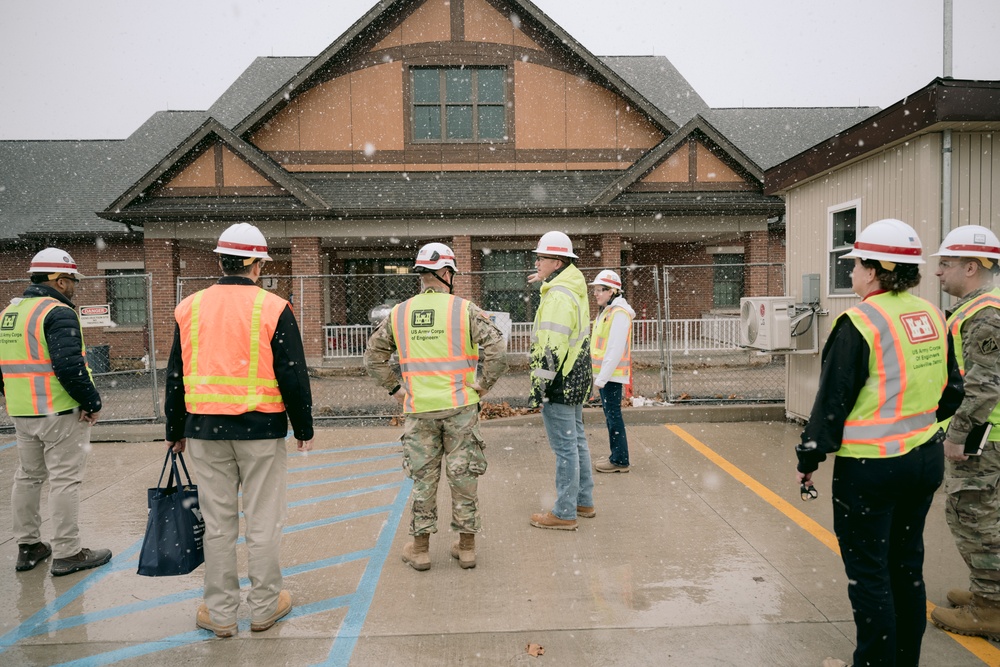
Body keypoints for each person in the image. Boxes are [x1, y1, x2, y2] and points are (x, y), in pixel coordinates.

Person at [795, 219, 963, 667]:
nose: (851, 273)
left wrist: (810, 455)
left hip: (870, 471)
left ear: (874, 271)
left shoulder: (861, 322)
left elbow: (832, 402)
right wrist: (916, 424)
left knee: (869, 575)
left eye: (855, 265)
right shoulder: (930, 313)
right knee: (905, 568)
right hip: (924, 462)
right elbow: (953, 392)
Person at [165, 223, 314, 638]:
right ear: (256, 264)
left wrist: (174, 428)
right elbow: (292, 373)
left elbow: (175, 374)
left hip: (203, 431)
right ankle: (265, 608)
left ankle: (221, 614)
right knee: (264, 523)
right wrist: (303, 425)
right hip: (261, 430)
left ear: (220, 260)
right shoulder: (273, 307)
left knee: (218, 525)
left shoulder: (189, 307)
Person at [365, 242, 507, 571]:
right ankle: (467, 548)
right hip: (460, 410)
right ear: (446, 274)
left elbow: (373, 356)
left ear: (422, 276)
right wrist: (483, 384)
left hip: (419, 412)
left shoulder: (399, 313)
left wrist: (395, 389)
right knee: (463, 478)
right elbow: (497, 349)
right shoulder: (464, 310)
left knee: (423, 481)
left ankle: (420, 550)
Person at [1, 248, 110, 576]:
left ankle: (29, 545)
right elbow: (69, 365)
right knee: (65, 480)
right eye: (72, 280)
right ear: (59, 280)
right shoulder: (57, 312)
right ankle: (67, 552)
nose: (74, 286)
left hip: (22, 411)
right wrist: (92, 403)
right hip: (58, 410)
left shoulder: (11, 312)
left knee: (28, 476)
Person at [927, 225, 1000, 639]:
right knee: (986, 517)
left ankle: (990, 608)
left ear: (971, 267)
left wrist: (958, 435)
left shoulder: (985, 315)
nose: (939, 273)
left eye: (947, 264)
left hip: (985, 438)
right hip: (991, 433)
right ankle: (987, 592)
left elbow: (983, 385)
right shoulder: (982, 308)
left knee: (974, 518)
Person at [527, 231, 595, 530]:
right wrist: (545, 283)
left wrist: (539, 389)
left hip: (560, 380)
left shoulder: (557, 296)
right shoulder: (571, 288)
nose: (537, 262)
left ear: (556, 262)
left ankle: (564, 513)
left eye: (540, 258)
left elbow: (550, 350)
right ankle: (583, 501)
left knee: (565, 448)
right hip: (577, 374)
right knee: (576, 442)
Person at [589, 269, 635, 473]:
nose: (596, 294)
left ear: (613, 291)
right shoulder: (608, 312)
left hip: (610, 376)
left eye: (601, 290)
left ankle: (619, 460)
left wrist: (601, 378)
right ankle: (617, 456)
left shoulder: (618, 314)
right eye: (596, 290)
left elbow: (614, 350)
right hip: (606, 375)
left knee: (613, 416)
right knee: (611, 415)